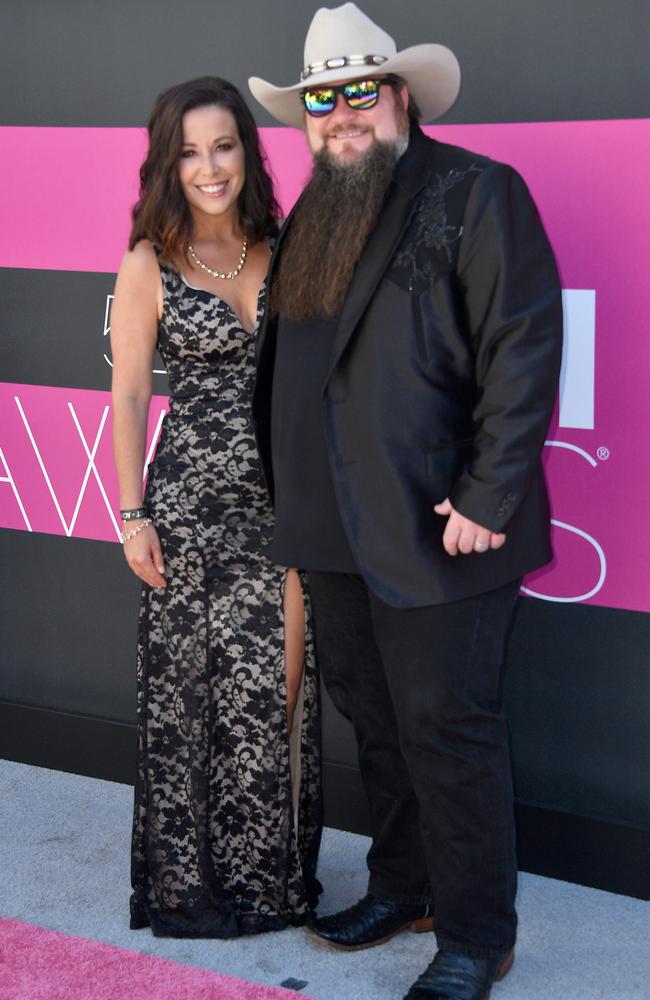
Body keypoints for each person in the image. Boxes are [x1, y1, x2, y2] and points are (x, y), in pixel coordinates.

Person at [248, 4, 563, 997]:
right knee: (375, 721)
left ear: (397, 96)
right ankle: (404, 882)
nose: (338, 116)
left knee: (445, 727)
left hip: (443, 527)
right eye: (319, 102)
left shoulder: (475, 191)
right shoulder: (316, 208)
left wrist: (487, 494)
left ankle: (475, 934)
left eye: (356, 92)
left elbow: (521, 348)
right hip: (330, 526)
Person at [110, 76, 321, 938]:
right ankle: (194, 889)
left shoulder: (289, 245)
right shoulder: (147, 262)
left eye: (223, 145)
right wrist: (132, 515)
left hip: (285, 508)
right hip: (189, 512)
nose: (209, 166)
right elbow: (127, 396)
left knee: (278, 692)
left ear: (247, 152)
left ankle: (273, 883)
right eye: (189, 150)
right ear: (168, 163)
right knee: (195, 703)